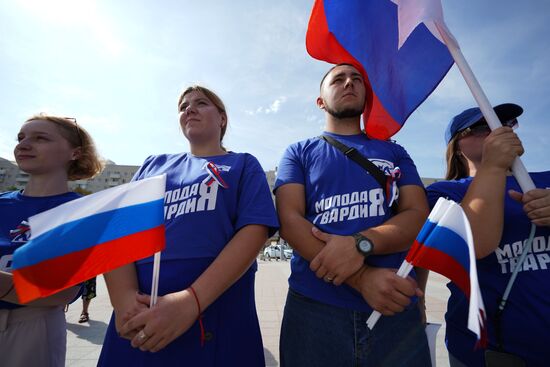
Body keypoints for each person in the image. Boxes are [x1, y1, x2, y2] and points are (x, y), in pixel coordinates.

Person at [98, 85, 279, 366]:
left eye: (201, 103)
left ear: (222, 119)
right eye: (183, 107)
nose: (189, 109)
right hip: (141, 316)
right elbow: (120, 230)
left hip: (218, 311)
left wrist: (191, 301)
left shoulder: (243, 164)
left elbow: (255, 230)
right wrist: (124, 300)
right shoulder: (153, 165)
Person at [274, 63, 431, 366]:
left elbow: (417, 216)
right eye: (338, 79)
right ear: (320, 101)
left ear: (365, 96)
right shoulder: (298, 152)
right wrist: (361, 279)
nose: (349, 83)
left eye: (356, 79)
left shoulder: (394, 152)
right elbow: (290, 222)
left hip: (393, 305)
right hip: (314, 307)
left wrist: (362, 242)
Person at [426, 103, 550, 366]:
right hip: (487, 351)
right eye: (482, 127)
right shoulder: (443, 193)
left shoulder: (547, 179)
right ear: (458, 146)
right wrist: (492, 167)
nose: (497, 129)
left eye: (506, 124)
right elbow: (476, 244)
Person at [0, 114, 104, 366]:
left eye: (40, 138)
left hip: (30, 326)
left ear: (75, 153)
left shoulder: (82, 211)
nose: (23, 144)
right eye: (21, 137)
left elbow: (61, 292)